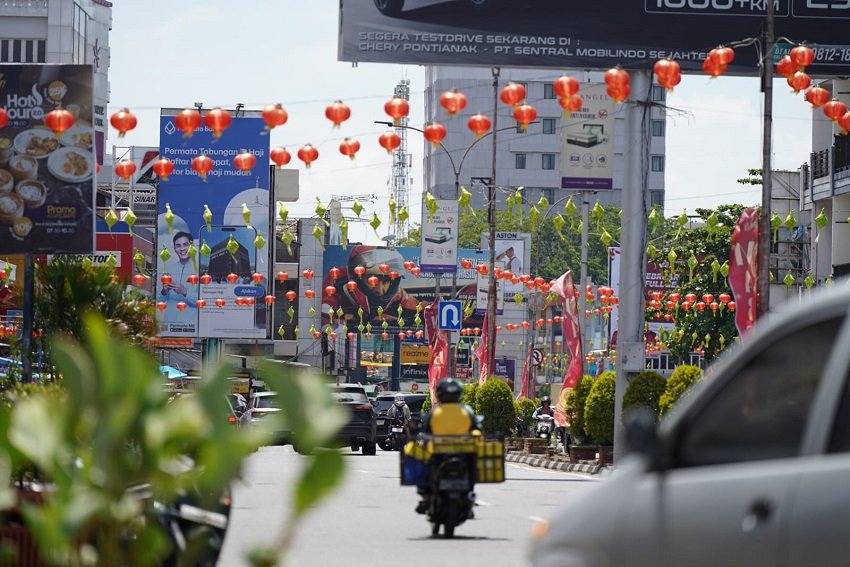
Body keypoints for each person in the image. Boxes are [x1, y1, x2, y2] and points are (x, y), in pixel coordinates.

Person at [414, 379, 479, 515]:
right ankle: (469, 494)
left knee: (423, 466)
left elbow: (425, 432)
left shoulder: (435, 413)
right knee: (472, 464)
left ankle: (426, 498)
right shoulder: (466, 411)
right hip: (462, 452)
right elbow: (476, 429)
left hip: (439, 452)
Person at [322, 245, 424, 324]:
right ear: (357, 278)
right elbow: (323, 309)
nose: (380, 289)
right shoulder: (336, 282)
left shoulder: (397, 293)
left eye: (385, 282)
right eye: (372, 281)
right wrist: (338, 317)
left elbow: (419, 308)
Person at [160, 231, 197, 306]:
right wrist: (164, 291)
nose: (182, 249)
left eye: (185, 245)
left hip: (191, 317)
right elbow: (160, 300)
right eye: (178, 246)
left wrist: (185, 292)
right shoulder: (169, 270)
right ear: (174, 249)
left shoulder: (200, 270)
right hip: (169, 317)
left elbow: (205, 301)